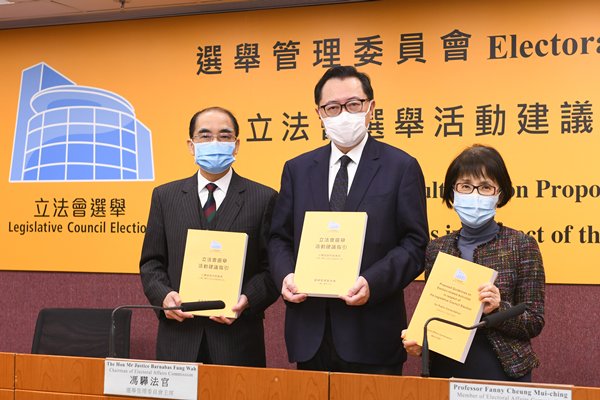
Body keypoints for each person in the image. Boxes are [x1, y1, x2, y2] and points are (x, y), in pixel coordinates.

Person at [269, 66, 429, 375]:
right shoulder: (297, 169)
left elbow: (414, 244)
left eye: (353, 104)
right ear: (319, 113)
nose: (343, 114)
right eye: (332, 107)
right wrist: (285, 276)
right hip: (311, 331)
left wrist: (372, 282)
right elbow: (279, 238)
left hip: (372, 331)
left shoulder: (401, 167)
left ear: (371, 108)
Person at [140, 106, 279, 366]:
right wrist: (164, 296)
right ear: (191, 145)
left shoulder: (264, 198)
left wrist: (247, 300)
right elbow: (152, 262)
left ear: (236, 145)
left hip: (237, 340)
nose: (215, 143)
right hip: (179, 338)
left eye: (224, 136)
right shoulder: (165, 197)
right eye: (205, 136)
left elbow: (272, 269)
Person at [402, 144, 545, 381]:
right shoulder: (437, 248)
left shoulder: (522, 245)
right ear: (452, 192)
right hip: (446, 367)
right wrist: (420, 339)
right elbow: (436, 312)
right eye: (466, 186)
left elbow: (535, 321)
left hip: (504, 370)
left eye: (486, 187)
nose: (474, 195)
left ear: (500, 194)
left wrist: (499, 308)